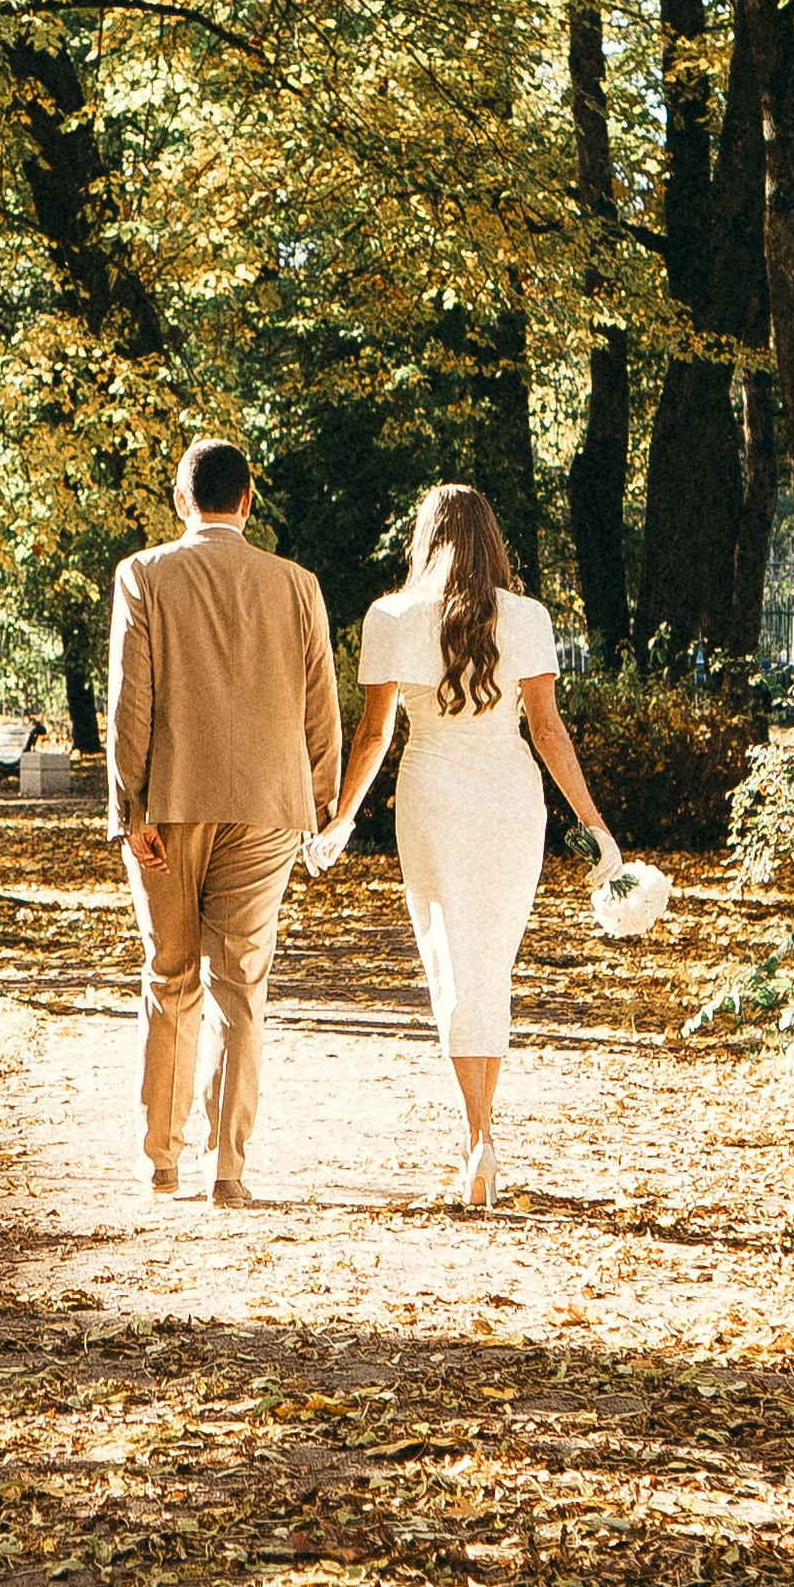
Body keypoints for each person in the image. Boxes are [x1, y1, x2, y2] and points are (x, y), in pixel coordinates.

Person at [307, 483, 618, 1213]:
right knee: (490, 966)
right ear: (492, 539)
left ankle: (476, 1139)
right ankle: (483, 1137)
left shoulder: (390, 615)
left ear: (425, 539)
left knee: (452, 960)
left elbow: (375, 733)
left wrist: (342, 819)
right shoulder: (529, 617)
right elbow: (547, 730)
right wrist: (595, 825)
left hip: (432, 796)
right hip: (512, 799)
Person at [108, 436, 339, 1206]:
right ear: (247, 500)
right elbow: (321, 703)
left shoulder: (144, 574)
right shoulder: (298, 584)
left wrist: (129, 807)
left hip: (170, 804)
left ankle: (161, 1158)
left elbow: (130, 700)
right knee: (239, 983)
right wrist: (323, 805)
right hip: (270, 807)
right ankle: (228, 1168)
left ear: (181, 499)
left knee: (170, 974)